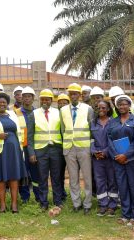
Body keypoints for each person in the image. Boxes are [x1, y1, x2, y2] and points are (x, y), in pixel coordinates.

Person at [107, 94, 134, 227]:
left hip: (132, 159)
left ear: (129, 106)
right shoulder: (113, 122)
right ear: (117, 106)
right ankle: (125, 214)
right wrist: (116, 155)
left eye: (125, 104)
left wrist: (126, 155)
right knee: (122, 187)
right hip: (117, 160)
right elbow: (109, 140)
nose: (122, 106)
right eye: (120, 104)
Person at [27, 89, 64, 211]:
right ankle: (43, 202)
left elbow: (62, 132)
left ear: (51, 100)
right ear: (39, 100)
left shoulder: (58, 113)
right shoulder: (33, 114)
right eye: (42, 99)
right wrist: (31, 153)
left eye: (47, 99)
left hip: (56, 149)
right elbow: (30, 136)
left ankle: (57, 202)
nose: (44, 101)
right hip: (40, 150)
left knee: (56, 177)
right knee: (42, 177)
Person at [60, 83, 94, 215]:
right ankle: (76, 203)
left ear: (80, 95)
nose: (73, 96)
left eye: (75, 94)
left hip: (84, 147)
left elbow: (92, 129)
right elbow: (63, 130)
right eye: (71, 94)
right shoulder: (63, 110)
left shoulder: (88, 109)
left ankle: (87, 204)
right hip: (69, 148)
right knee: (73, 178)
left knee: (87, 177)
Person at [91, 100, 119, 217]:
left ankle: (112, 205)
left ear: (108, 109)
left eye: (103, 108)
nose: (101, 110)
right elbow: (91, 140)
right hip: (97, 158)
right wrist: (93, 152)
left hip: (110, 156)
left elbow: (113, 140)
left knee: (112, 180)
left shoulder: (113, 122)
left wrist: (106, 152)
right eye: (98, 108)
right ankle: (103, 204)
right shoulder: (93, 123)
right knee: (100, 181)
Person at [16, 86, 40, 203]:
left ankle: (38, 196)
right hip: (21, 148)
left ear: (33, 98)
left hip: (34, 147)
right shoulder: (16, 113)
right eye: (24, 96)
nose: (26, 99)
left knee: (36, 173)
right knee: (23, 173)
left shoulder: (37, 113)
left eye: (29, 96)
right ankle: (25, 197)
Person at [56, 93, 70, 201]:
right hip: (58, 148)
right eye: (59, 103)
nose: (61, 105)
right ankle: (61, 193)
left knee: (71, 172)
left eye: (64, 103)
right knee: (59, 172)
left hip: (70, 147)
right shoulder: (54, 114)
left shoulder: (70, 114)